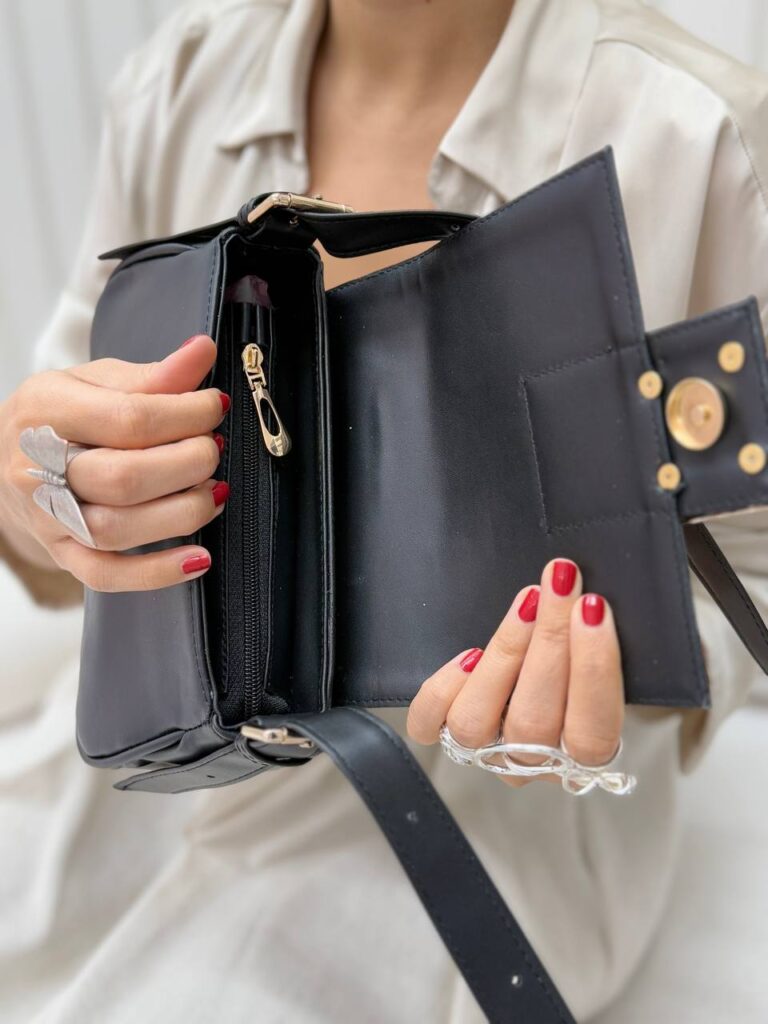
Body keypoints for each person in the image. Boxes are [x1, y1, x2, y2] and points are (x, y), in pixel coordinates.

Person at [0, 0, 767, 1020]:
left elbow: (752, 572)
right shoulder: (174, 86)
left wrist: (625, 664)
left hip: (490, 812)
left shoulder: (698, 133)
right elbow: (54, 550)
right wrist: (35, 496)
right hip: (160, 737)